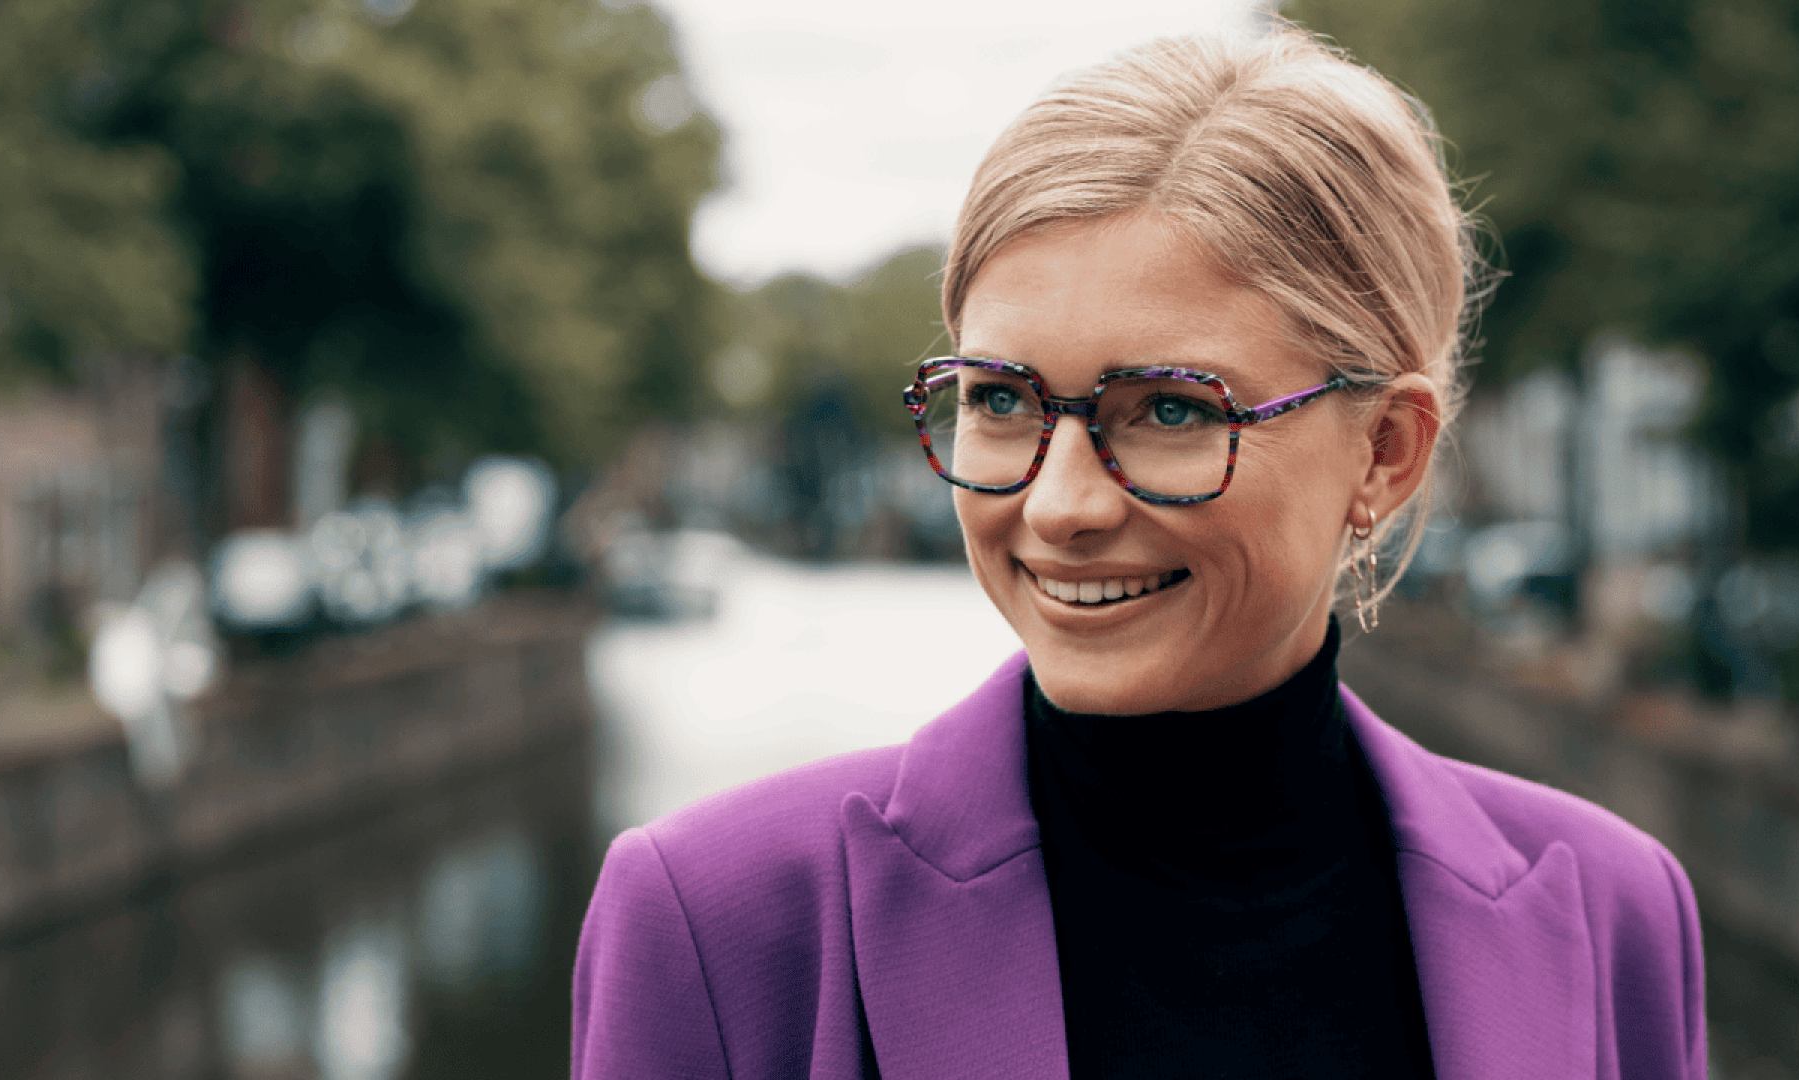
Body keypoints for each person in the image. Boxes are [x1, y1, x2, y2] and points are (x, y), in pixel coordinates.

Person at [573, 23, 1706, 1080]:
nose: (1059, 505)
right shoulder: (718, 923)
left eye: (1169, 409)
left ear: (1387, 453)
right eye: (1003, 399)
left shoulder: (1616, 916)